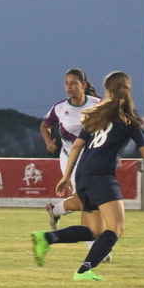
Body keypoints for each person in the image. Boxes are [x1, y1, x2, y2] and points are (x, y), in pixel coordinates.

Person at [31, 71, 144, 281]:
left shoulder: (96, 114)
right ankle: (84, 271)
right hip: (101, 175)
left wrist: (67, 176)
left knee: (92, 230)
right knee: (116, 227)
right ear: (127, 90)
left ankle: (45, 238)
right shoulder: (129, 118)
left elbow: (77, 147)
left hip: (83, 173)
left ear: (107, 91)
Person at [41, 69, 102, 229]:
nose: (69, 86)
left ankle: (54, 210)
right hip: (70, 159)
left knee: (91, 200)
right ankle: (95, 244)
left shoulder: (97, 104)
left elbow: (109, 128)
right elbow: (44, 126)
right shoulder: (60, 108)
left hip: (91, 158)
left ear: (83, 85)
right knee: (84, 201)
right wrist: (49, 143)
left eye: (74, 82)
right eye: (67, 83)